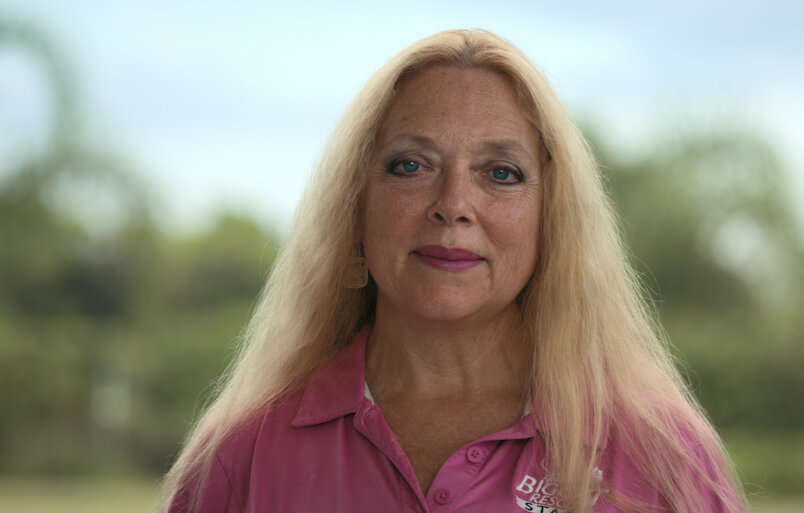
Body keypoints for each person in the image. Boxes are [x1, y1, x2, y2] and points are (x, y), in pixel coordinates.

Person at [161, 29, 747, 513]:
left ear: (552, 219)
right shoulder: (240, 458)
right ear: (354, 208)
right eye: (411, 165)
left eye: (501, 173)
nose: (454, 204)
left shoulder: (661, 458)